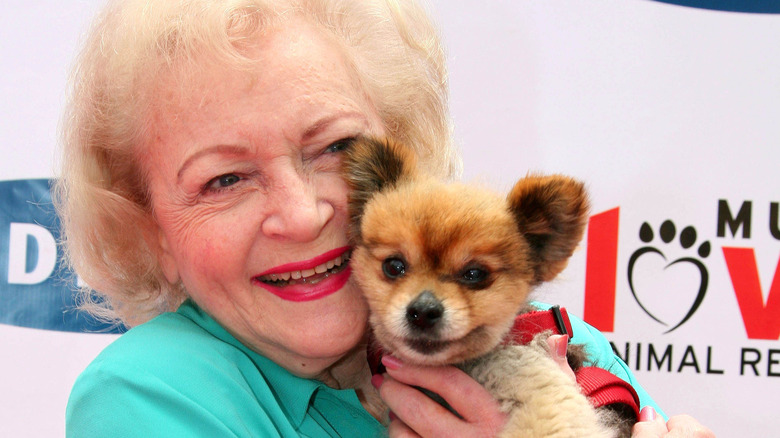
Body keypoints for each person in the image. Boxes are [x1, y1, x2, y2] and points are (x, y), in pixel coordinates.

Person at [57, 0, 714, 436]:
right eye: (223, 179)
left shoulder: (561, 345)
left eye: (337, 148)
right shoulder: (150, 396)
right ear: (151, 232)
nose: (303, 212)